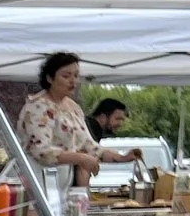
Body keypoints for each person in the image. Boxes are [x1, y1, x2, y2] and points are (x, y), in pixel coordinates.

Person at [17, 54, 139, 187]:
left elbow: (88, 145)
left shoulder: (73, 107)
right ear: (49, 78)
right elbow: (40, 150)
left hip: (60, 184)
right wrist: (81, 158)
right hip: (35, 182)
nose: (73, 81)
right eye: (66, 76)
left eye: (76, 76)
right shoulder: (38, 106)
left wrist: (122, 157)